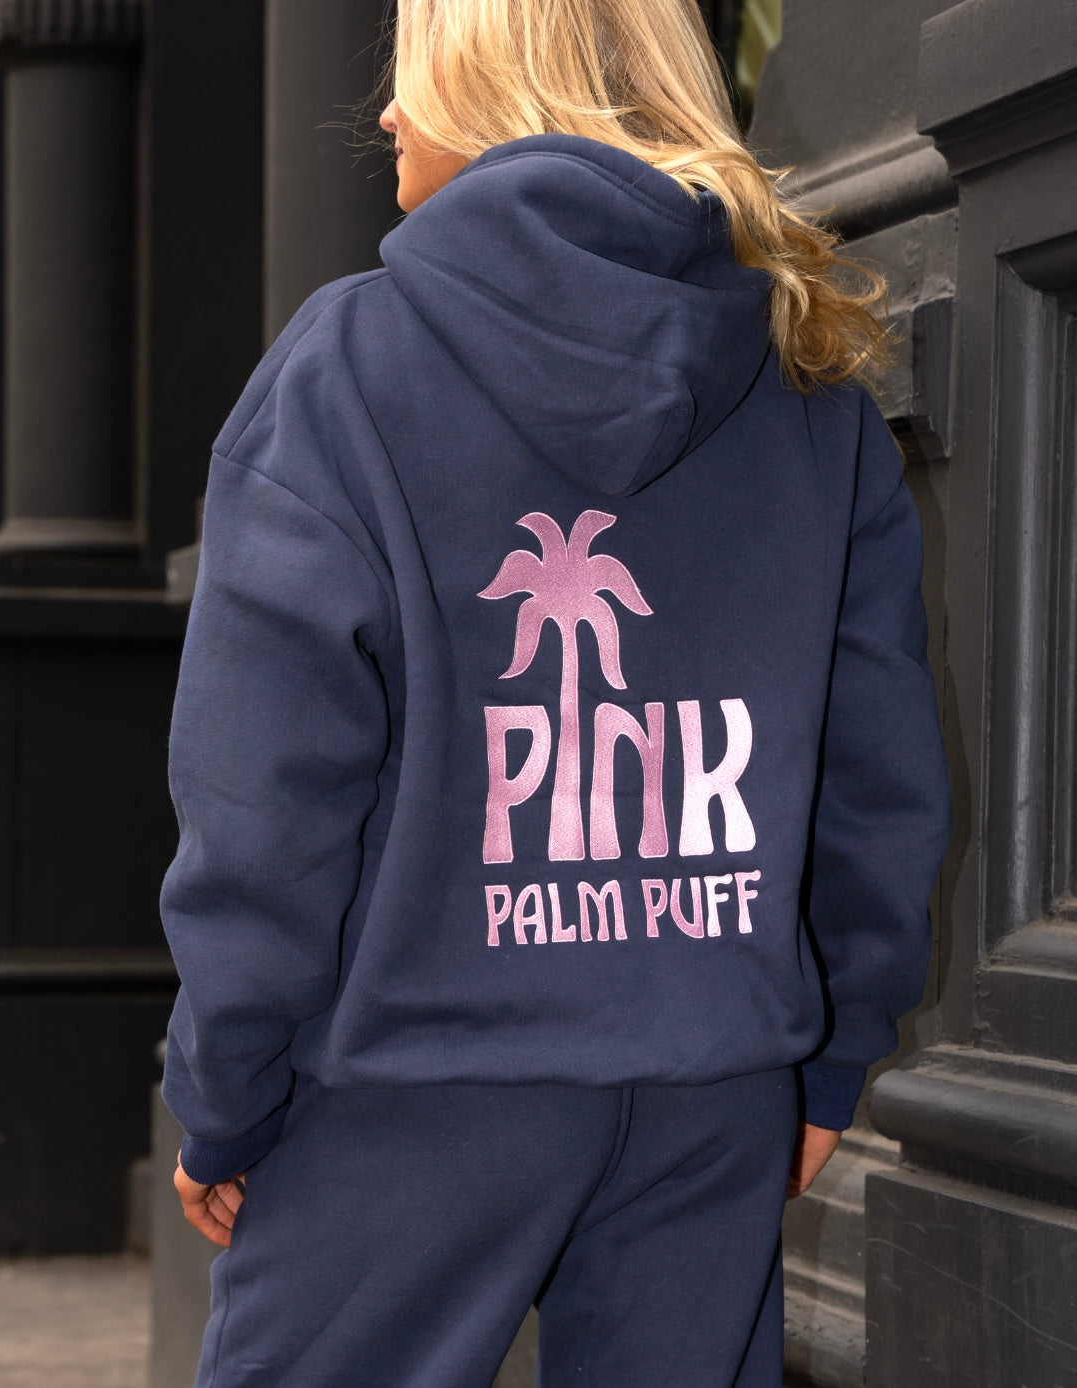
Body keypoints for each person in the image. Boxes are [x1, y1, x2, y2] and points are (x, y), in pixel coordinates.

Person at [162, 0, 951, 1383]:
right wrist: (832, 1053)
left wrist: (225, 1086)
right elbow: (875, 771)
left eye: (412, 70)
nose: (387, 111)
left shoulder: (345, 371)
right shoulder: (806, 381)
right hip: (713, 1084)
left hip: (408, 1092)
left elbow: (265, 792)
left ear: (490, 81)